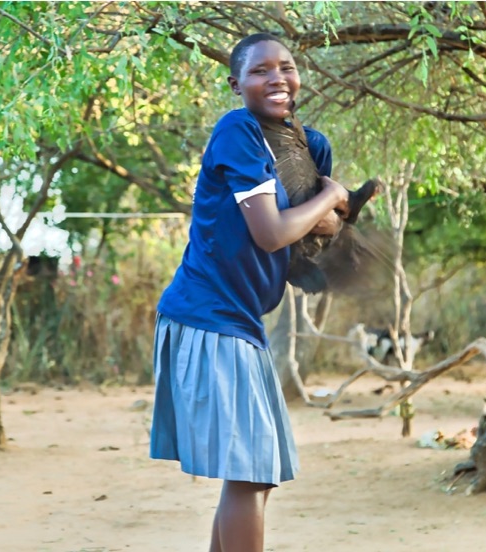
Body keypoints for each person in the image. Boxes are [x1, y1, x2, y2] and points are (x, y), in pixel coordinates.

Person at [149, 33, 350, 552]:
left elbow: (323, 230)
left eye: (286, 67)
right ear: (236, 83)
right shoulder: (237, 131)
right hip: (208, 315)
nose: (277, 78)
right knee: (249, 471)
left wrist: (322, 213)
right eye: (260, 71)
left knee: (254, 473)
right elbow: (272, 232)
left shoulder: (310, 146)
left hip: (242, 323)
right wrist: (330, 196)